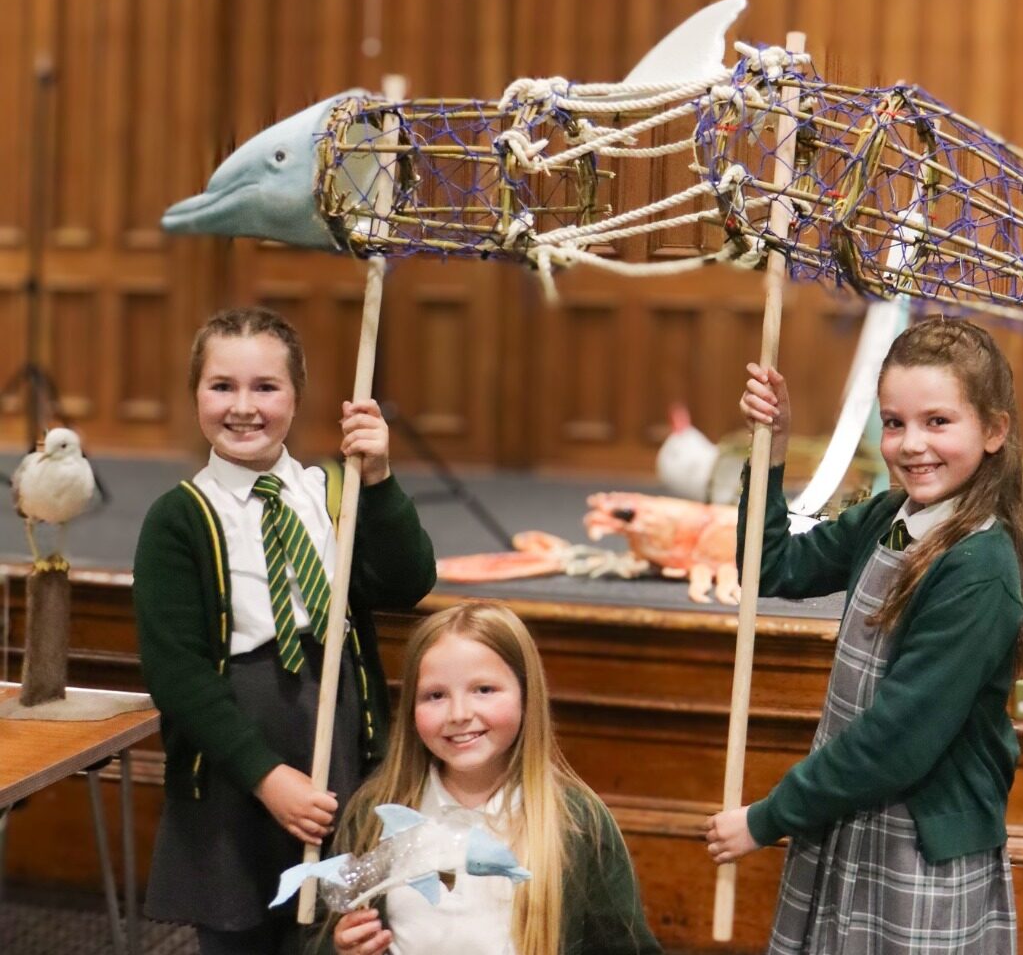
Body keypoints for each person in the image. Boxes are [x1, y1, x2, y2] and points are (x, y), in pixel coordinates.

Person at [707, 316, 1023, 953]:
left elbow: (897, 741)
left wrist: (768, 818)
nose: (911, 444)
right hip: (850, 811)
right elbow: (772, 568)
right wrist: (773, 451)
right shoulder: (892, 517)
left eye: (938, 421)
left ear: (994, 430)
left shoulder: (980, 569)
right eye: (894, 423)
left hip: (916, 846)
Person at [135, 306, 437, 954]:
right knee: (241, 930)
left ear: (297, 397)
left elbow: (406, 582)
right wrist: (267, 776)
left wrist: (379, 481)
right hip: (237, 763)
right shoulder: (179, 518)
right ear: (195, 394)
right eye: (222, 386)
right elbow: (177, 673)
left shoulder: (331, 492)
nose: (243, 406)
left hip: (335, 743)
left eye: (266, 387)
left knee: (338, 929)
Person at [329, 601, 662, 955]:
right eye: (436, 695)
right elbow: (320, 935)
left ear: (526, 695)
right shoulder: (375, 813)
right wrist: (341, 947)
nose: (459, 714)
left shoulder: (578, 823)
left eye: (484, 690)